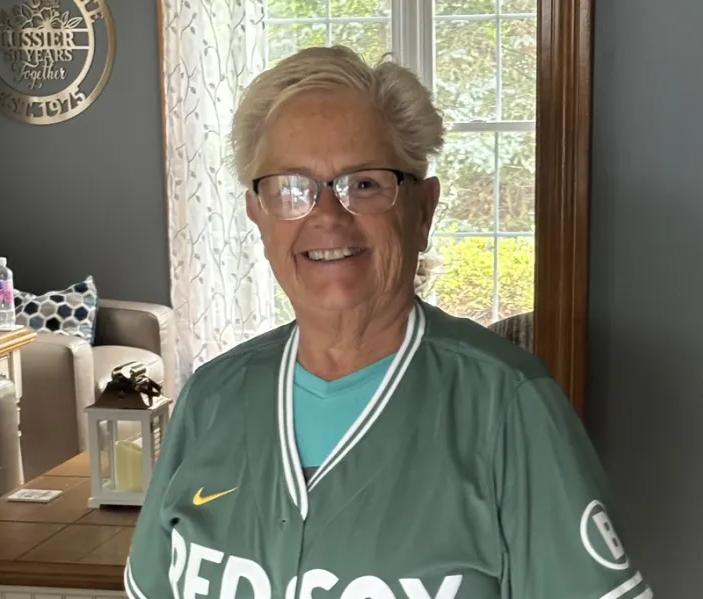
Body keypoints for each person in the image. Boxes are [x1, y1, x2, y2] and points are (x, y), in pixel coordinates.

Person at [124, 46, 652, 599]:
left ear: (423, 210)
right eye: (292, 188)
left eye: (365, 184)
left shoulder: (508, 406)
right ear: (259, 216)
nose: (327, 216)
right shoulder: (211, 398)